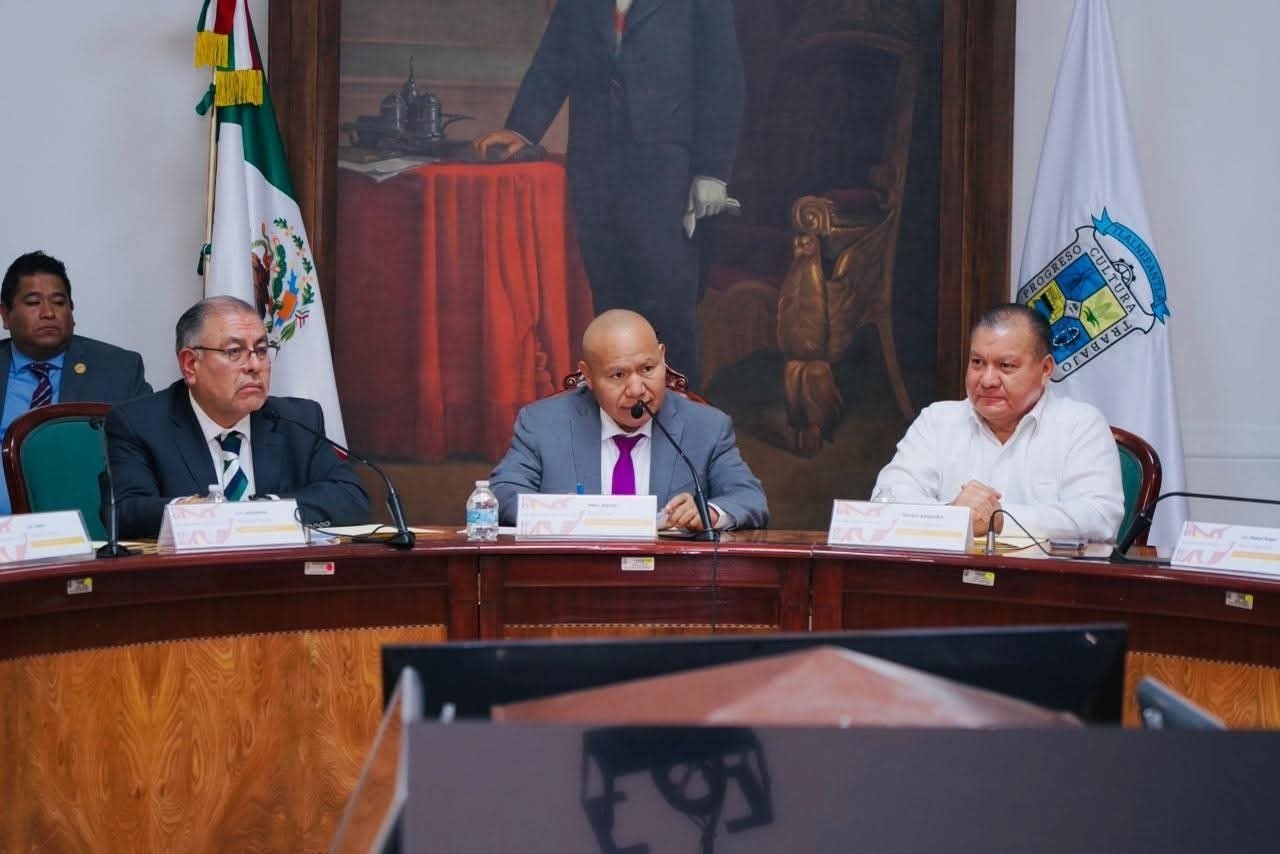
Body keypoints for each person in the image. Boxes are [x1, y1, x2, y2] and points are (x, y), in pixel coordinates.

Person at [473, 0, 745, 389]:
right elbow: (554, 58)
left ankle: (678, 418)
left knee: (668, 307)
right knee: (609, 305)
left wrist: (712, 171)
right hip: (594, 169)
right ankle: (617, 417)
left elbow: (722, 79)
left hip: (668, 175)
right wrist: (522, 129)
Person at [105, 296, 369, 538]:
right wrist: (195, 513)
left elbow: (351, 498)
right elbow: (124, 512)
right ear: (190, 364)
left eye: (261, 350)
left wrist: (262, 511)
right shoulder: (139, 424)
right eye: (234, 351)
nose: (254, 365)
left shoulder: (298, 420)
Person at [490, 309, 767, 531]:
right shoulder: (543, 424)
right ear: (588, 376)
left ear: (662, 357)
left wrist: (708, 513)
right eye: (618, 375)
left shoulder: (706, 428)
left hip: (670, 578)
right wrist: (566, 515)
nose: (636, 390)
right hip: (574, 576)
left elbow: (749, 498)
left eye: (647, 368)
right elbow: (503, 493)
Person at [871, 303, 1123, 542]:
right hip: (950, 572)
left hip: (1043, 573)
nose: (987, 380)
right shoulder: (937, 421)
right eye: (977, 363)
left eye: (1006, 365)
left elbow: (1099, 517)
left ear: (1045, 369)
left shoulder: (1080, 426)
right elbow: (886, 500)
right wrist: (953, 515)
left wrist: (1000, 519)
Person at [0, 250, 152, 514]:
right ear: (5, 314)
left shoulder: (118, 370)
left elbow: (149, 454)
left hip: (88, 528)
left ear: (72, 311)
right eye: (33, 302)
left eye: (59, 302)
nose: (48, 313)